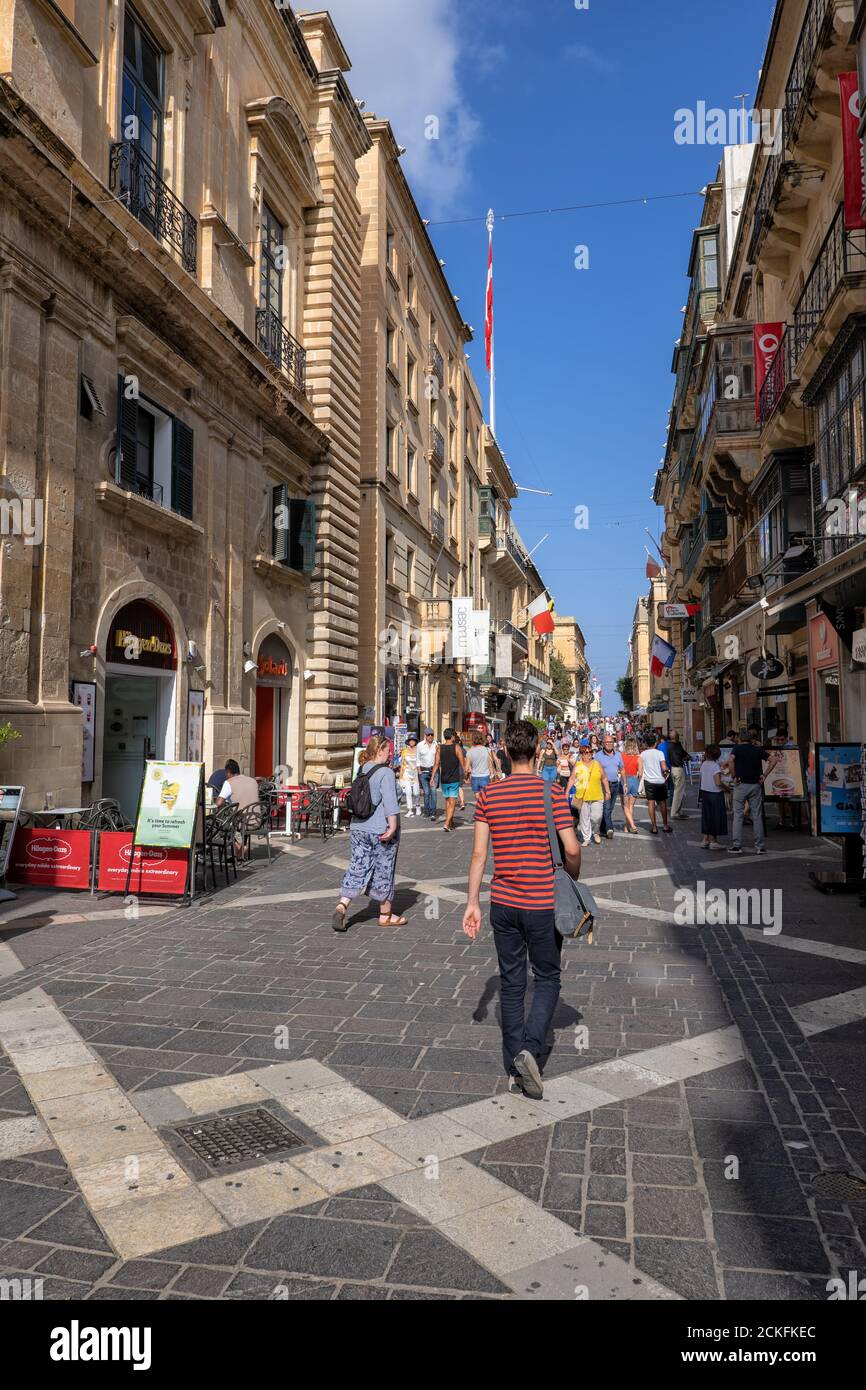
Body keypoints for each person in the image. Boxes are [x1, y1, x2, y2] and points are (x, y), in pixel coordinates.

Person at [462, 719, 581, 1100]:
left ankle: (515, 1063)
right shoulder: (552, 793)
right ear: (539, 749)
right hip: (544, 901)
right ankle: (531, 1047)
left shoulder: (488, 796)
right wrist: (571, 878)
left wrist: (471, 903)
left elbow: (479, 854)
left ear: (504, 752)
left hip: (504, 903)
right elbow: (573, 848)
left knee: (512, 984)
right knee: (546, 977)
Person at [333, 734, 406, 931]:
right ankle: (385, 916)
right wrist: (392, 826)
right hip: (379, 829)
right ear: (379, 751)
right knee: (384, 869)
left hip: (358, 827)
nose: (390, 755)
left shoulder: (362, 769)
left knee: (357, 866)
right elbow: (390, 802)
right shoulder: (386, 773)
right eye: (388, 751)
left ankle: (342, 904)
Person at [727, 730, 780, 855]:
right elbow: (774, 760)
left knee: (738, 816)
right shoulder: (757, 750)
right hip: (755, 785)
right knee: (757, 816)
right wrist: (765, 775)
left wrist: (734, 776)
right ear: (750, 739)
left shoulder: (737, 749)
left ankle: (737, 845)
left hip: (741, 785)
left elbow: (730, 761)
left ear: (740, 739)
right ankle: (760, 847)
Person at [566, 740, 609, 846]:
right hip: (582, 796)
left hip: (597, 794)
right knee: (584, 818)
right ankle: (587, 838)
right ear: (581, 754)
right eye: (586, 752)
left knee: (597, 816)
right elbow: (572, 779)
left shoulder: (597, 764)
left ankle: (596, 832)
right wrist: (567, 791)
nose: (589, 754)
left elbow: (604, 778)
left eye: (590, 752)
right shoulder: (578, 765)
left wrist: (607, 791)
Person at [433, 728, 468, 832]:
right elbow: (462, 763)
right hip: (454, 778)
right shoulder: (457, 747)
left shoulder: (439, 748)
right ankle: (446, 823)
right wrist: (466, 774)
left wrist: (432, 777)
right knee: (452, 802)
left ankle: (451, 822)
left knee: (448, 801)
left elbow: (436, 764)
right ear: (452, 737)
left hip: (444, 778)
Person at [639, 733, 672, 833]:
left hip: (649, 781)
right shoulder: (659, 753)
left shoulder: (643, 754)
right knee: (662, 802)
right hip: (660, 781)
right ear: (655, 742)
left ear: (646, 743)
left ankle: (654, 827)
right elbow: (664, 768)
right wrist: (667, 774)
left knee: (651, 803)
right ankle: (665, 826)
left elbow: (640, 771)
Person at [596, 734, 624, 839]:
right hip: (603, 785)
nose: (609, 744)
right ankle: (609, 828)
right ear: (603, 744)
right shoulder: (598, 755)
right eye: (607, 742)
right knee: (607, 807)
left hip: (615, 784)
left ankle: (603, 828)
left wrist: (624, 782)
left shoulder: (618, 754)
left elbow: (622, 769)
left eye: (611, 742)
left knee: (610, 808)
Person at [700, 744, 727, 850]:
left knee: (706, 816)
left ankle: (705, 839)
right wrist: (726, 788)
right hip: (715, 794)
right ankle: (713, 841)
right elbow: (718, 782)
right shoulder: (715, 766)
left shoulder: (704, 764)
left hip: (705, 792)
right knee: (715, 817)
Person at [667, 732, 691, 819]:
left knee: (678, 790)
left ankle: (678, 811)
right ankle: (674, 813)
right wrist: (687, 757)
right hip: (678, 769)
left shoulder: (669, 745)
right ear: (677, 737)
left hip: (673, 769)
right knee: (678, 791)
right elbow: (684, 754)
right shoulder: (677, 745)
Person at [416, 728, 438, 820]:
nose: (430, 736)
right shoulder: (420, 745)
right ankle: (426, 811)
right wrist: (419, 771)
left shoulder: (436, 744)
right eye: (428, 735)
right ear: (425, 735)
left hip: (434, 771)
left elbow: (438, 759)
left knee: (433, 792)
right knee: (426, 792)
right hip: (423, 772)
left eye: (432, 735)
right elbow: (418, 758)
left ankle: (433, 812)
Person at [621, 736, 641, 834]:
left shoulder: (622, 756)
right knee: (631, 806)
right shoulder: (638, 758)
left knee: (625, 806)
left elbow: (619, 769)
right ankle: (626, 826)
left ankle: (632, 825)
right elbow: (641, 773)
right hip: (635, 780)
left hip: (625, 780)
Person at [399, 734, 422, 816]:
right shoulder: (404, 751)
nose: (411, 742)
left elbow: (421, 763)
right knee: (408, 792)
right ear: (408, 742)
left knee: (416, 793)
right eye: (410, 740)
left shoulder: (419, 751)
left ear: (415, 741)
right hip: (407, 774)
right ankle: (410, 810)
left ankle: (418, 806)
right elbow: (402, 764)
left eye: (413, 740)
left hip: (416, 774)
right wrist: (401, 776)